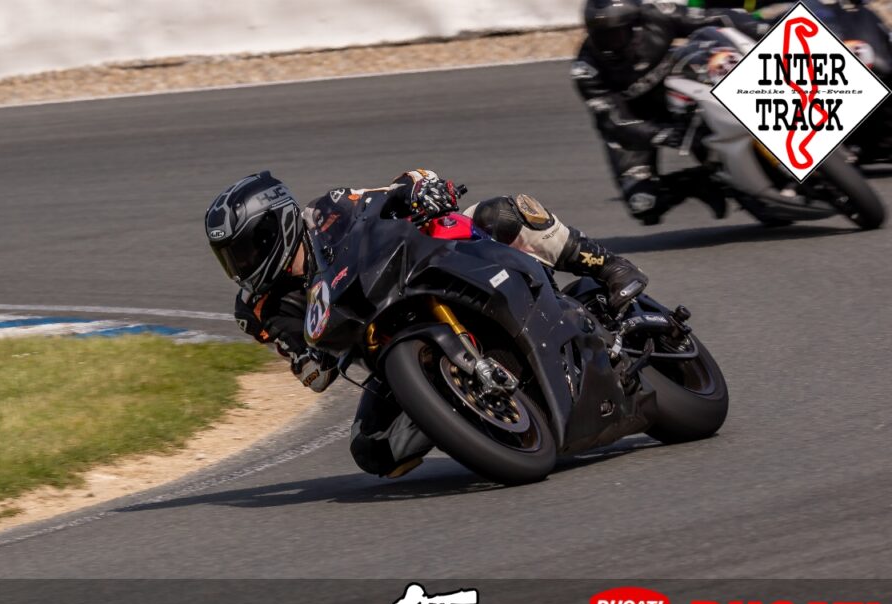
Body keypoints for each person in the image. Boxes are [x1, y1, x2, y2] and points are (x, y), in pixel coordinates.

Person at [205, 169, 648, 478]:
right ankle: (467, 418)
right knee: (374, 450)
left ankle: (608, 265)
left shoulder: (330, 208)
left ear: (277, 226)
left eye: (247, 249)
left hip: (422, 274)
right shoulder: (257, 310)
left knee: (499, 213)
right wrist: (313, 360)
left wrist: (423, 189)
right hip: (382, 349)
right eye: (230, 258)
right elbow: (311, 373)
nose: (241, 265)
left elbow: (396, 189)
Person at [573, 0, 767, 225]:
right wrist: (660, 134)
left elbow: (718, 18)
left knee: (722, 58)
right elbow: (613, 122)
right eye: (600, 35)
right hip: (637, 124)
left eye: (615, 34)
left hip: (682, 90)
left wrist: (766, 29)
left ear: (636, 25)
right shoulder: (586, 70)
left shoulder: (657, 15)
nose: (608, 44)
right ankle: (701, 180)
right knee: (643, 204)